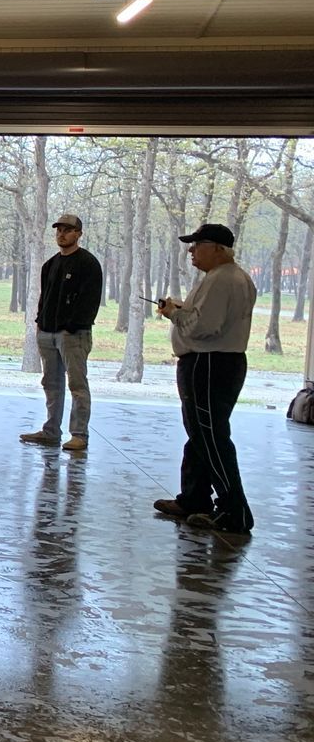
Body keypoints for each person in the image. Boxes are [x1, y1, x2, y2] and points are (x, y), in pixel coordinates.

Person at [155, 224, 257, 536]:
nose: (191, 251)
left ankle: (234, 510)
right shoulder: (227, 278)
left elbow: (204, 327)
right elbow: (209, 319)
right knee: (201, 434)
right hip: (216, 362)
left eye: (197, 245)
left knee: (211, 437)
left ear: (216, 248)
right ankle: (195, 499)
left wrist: (175, 313)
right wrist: (182, 310)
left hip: (210, 363)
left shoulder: (224, 279)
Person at [20, 214, 103, 453]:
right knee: (51, 383)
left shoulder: (88, 264)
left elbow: (90, 302)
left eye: (68, 230)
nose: (62, 234)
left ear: (78, 233)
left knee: (77, 383)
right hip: (47, 332)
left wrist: (73, 325)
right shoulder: (50, 265)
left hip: (73, 335)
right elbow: (44, 298)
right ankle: (51, 431)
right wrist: (40, 323)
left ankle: (79, 434)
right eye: (59, 230)